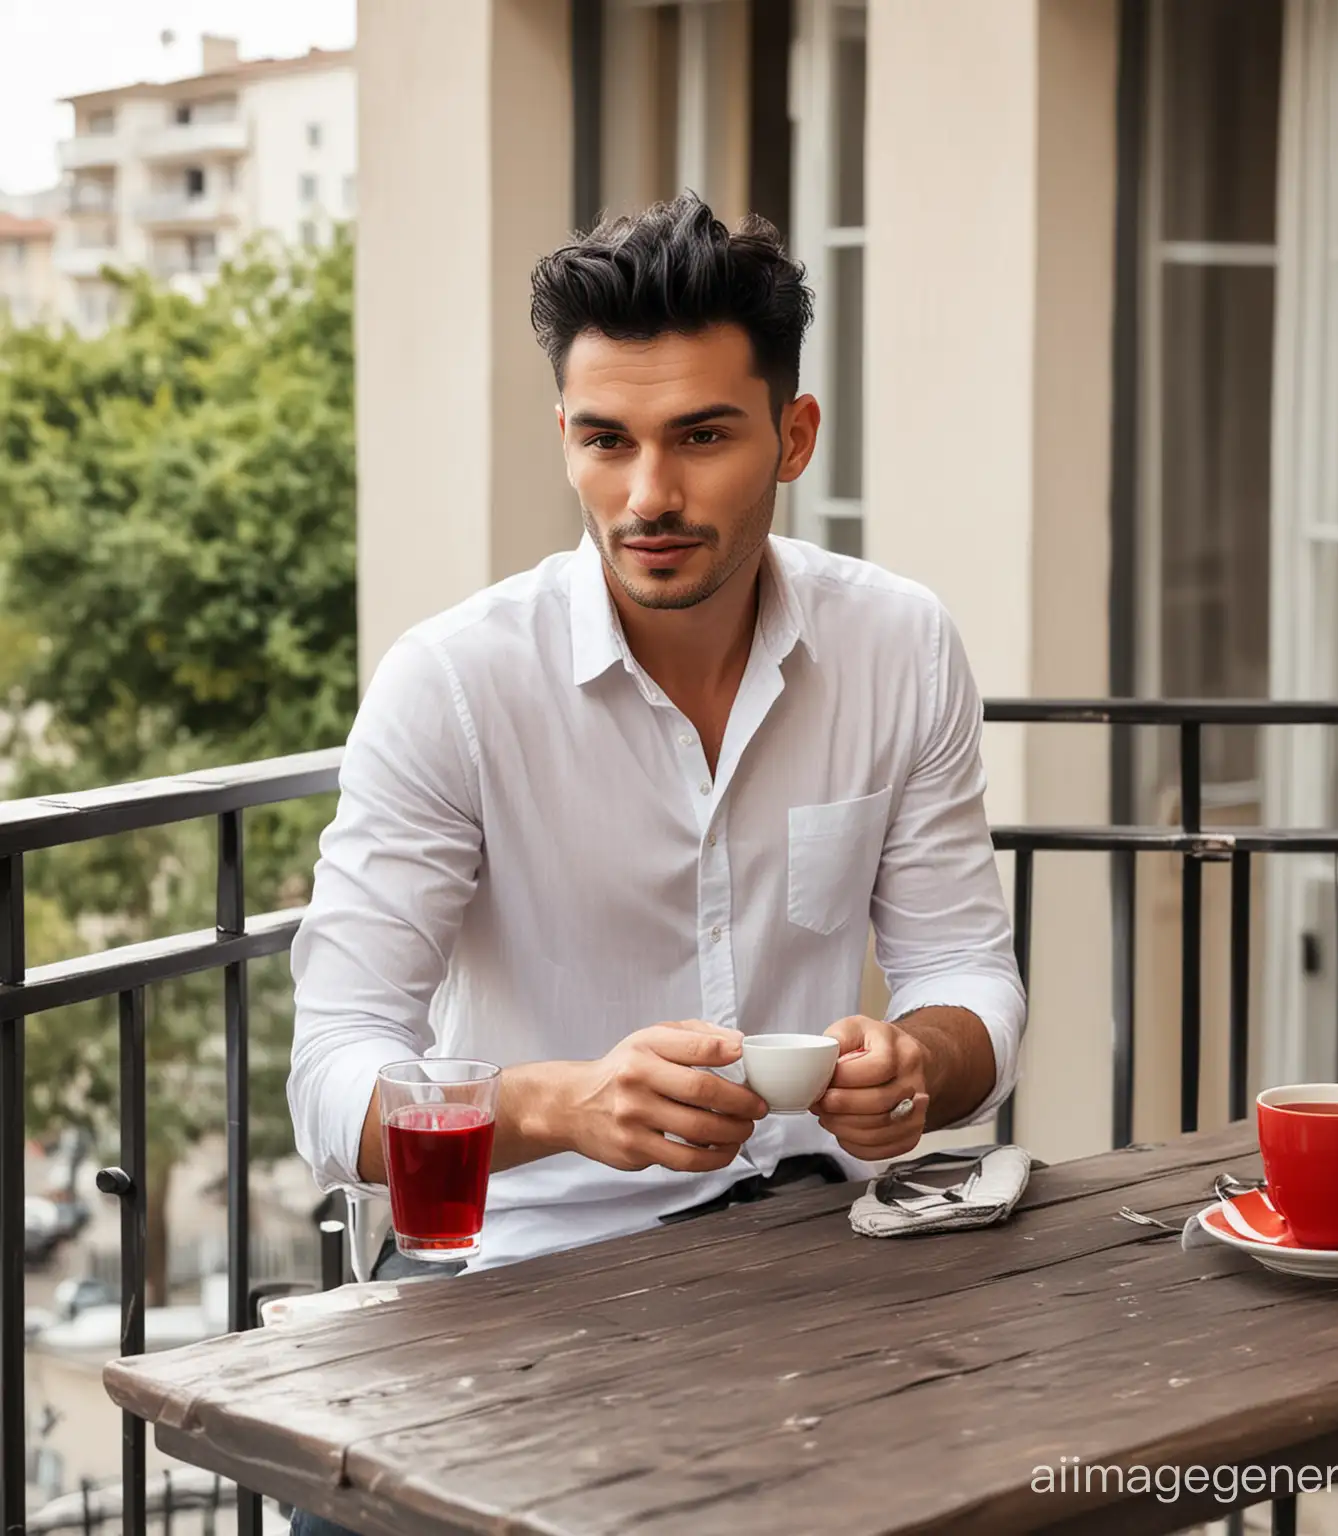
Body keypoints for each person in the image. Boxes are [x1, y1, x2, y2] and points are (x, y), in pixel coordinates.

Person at [284, 192, 1025, 1536]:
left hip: (827, 1254)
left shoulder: (901, 647)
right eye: (604, 441)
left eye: (701, 438)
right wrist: (566, 1106)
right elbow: (332, 1084)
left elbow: (967, 971)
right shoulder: (450, 685)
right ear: (562, 437)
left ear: (793, 436)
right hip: (523, 1275)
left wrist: (924, 1064)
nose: (649, 497)